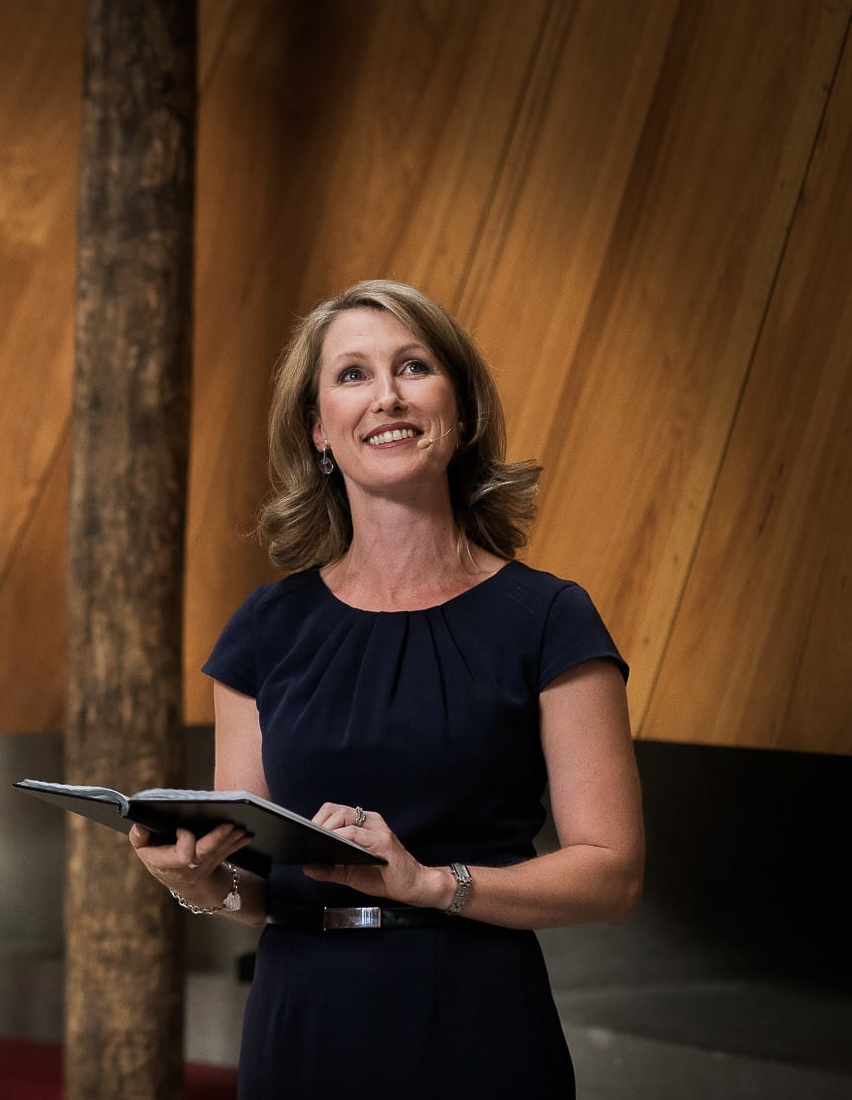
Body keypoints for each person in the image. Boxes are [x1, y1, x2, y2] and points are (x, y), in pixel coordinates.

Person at [131, 280, 644, 1098]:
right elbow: (258, 881)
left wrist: (433, 883)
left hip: (475, 1019)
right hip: (300, 1021)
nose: (388, 396)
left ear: (461, 410)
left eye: (413, 367)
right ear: (318, 433)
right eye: (353, 375)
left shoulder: (549, 615)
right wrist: (200, 882)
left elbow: (613, 877)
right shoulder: (266, 627)